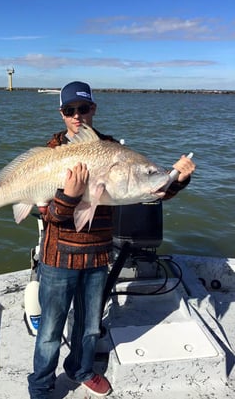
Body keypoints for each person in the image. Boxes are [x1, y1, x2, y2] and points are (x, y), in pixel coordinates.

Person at [27, 81, 196, 398]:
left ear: (93, 109)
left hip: (95, 258)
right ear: (62, 114)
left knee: (90, 327)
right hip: (57, 257)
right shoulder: (49, 154)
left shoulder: (114, 151)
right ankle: (40, 384)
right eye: (70, 110)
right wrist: (69, 196)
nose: (78, 116)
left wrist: (178, 180)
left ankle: (80, 369)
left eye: (84, 108)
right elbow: (50, 217)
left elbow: (151, 188)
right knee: (49, 331)